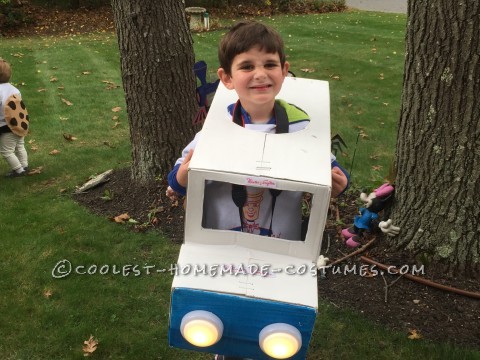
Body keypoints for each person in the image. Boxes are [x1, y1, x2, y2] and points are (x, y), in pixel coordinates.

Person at [168, 21, 349, 359]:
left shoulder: (300, 129)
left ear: (284, 71)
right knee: (225, 325)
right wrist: (182, 176)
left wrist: (338, 182)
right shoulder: (215, 130)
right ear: (226, 78)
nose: (260, 74)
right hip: (223, 244)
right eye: (247, 66)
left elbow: (330, 171)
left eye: (269, 64)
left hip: (280, 247)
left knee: (273, 325)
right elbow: (176, 178)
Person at [0, 58, 30, 177]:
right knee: (19, 145)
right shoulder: (14, 89)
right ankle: (24, 165)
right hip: (19, 123)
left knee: (6, 151)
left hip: (5, 125)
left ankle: (18, 170)